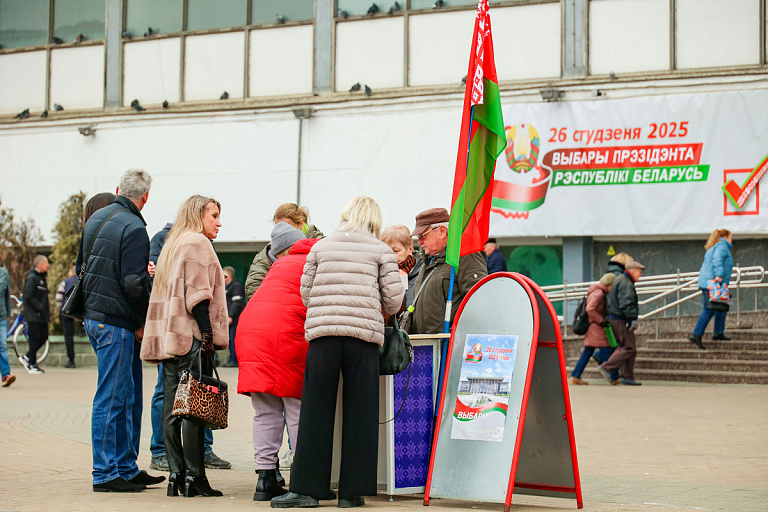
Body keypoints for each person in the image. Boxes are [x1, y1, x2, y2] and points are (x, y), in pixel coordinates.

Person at [271, 196, 404, 509]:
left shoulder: (321, 246)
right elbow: (394, 301)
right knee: (361, 412)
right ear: (374, 220)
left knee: (316, 411)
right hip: (363, 339)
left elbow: (306, 292)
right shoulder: (381, 250)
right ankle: (351, 493)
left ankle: (306, 489)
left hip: (324, 336)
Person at [79, 169, 163, 492]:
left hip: (95, 319)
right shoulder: (135, 227)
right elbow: (132, 283)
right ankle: (105, 472)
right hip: (117, 323)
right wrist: (142, 322)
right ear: (145, 198)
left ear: (117, 189)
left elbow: (81, 270)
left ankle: (125, 467)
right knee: (113, 398)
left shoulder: (95, 221)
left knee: (123, 396)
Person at [141, 195, 229, 498]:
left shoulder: (173, 243)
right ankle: (195, 477)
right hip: (191, 337)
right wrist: (206, 335)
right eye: (214, 215)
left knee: (170, 408)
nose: (219, 222)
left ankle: (176, 474)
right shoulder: (196, 243)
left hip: (170, 339)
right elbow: (199, 296)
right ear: (198, 215)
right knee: (194, 408)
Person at [237, 223, 318, 501]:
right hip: (284, 338)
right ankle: (302, 477)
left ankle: (265, 478)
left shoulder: (276, 268)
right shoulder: (311, 262)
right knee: (296, 408)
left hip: (250, 335)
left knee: (265, 411)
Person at [409, 208, 487, 334]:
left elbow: (478, 302)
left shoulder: (465, 255)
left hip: (450, 346)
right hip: (427, 348)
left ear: (442, 231)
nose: (419, 242)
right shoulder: (427, 262)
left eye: (423, 235)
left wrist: (455, 335)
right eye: (418, 237)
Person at [245, 203, 324, 302]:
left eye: (286, 227)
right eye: (278, 226)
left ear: (300, 224)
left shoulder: (321, 247)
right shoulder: (266, 255)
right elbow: (253, 288)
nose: (281, 231)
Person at [599, 260, 645, 386]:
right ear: (632, 270)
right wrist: (632, 318)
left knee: (628, 347)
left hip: (616, 317)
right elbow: (626, 302)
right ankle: (607, 367)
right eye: (639, 272)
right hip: (621, 318)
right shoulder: (626, 283)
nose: (640, 275)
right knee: (628, 347)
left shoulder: (620, 280)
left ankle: (627, 376)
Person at [689, 229, 734, 350]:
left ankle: (718, 332)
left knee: (721, 305)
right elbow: (717, 260)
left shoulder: (714, 247)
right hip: (714, 283)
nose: (732, 239)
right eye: (730, 237)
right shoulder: (721, 246)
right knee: (709, 310)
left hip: (711, 282)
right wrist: (719, 275)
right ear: (725, 236)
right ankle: (696, 334)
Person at [569, 273, 617, 385]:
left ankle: (575, 376)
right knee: (606, 350)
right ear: (610, 284)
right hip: (596, 327)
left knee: (587, 352)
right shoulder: (599, 293)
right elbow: (590, 309)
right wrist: (601, 320)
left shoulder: (596, 291)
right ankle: (615, 377)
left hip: (593, 326)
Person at [381, 224, 423, 323]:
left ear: (410, 249)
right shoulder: (378, 273)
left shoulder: (422, 272)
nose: (390, 256)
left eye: (396, 251)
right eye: (386, 251)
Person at [18, 255, 50, 374]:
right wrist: (40, 307)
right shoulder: (32, 277)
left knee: (43, 336)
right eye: (46, 263)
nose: (48, 265)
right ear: (40, 264)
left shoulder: (41, 277)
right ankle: (32, 364)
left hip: (41, 315)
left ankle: (27, 357)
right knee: (34, 339)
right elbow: (28, 296)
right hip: (33, 314)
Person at [55, 265, 79, 368]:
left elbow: (59, 297)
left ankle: (71, 360)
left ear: (70, 273)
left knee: (69, 336)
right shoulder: (82, 281)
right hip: (81, 313)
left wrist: (61, 310)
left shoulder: (65, 282)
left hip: (68, 312)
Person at [222, 267, 245, 367]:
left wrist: (230, 316)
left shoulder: (235, 285)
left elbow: (237, 302)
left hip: (235, 319)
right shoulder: (226, 287)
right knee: (230, 339)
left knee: (234, 339)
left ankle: (234, 360)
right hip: (229, 318)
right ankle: (231, 359)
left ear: (229, 276)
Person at [0, 264, 16, 387]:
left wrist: (8, 312)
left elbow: (6, 294)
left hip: (1, 315)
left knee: (2, 345)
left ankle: (6, 375)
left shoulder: (3, 273)